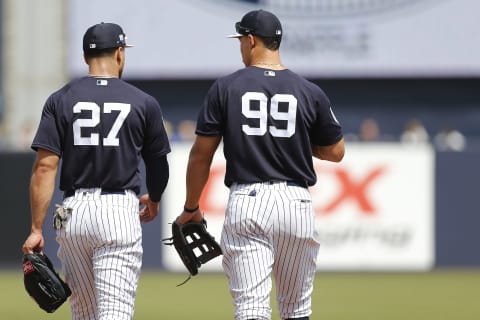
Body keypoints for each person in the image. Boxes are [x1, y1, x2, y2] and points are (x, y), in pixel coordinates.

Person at [176, 10, 345, 320]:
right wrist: (291, 141)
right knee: (296, 310)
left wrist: (191, 206)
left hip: (249, 201)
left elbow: (202, 155)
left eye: (241, 40)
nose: (241, 46)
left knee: (251, 309)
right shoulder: (309, 90)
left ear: (251, 40)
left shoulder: (225, 87)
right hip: (296, 203)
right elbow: (336, 152)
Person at [22, 22, 170, 320]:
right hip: (117, 212)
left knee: (85, 314)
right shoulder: (143, 101)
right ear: (119, 53)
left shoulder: (60, 99)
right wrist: (153, 197)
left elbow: (45, 167)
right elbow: (158, 164)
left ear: (84, 56)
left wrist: (37, 228)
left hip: (73, 214)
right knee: (115, 313)